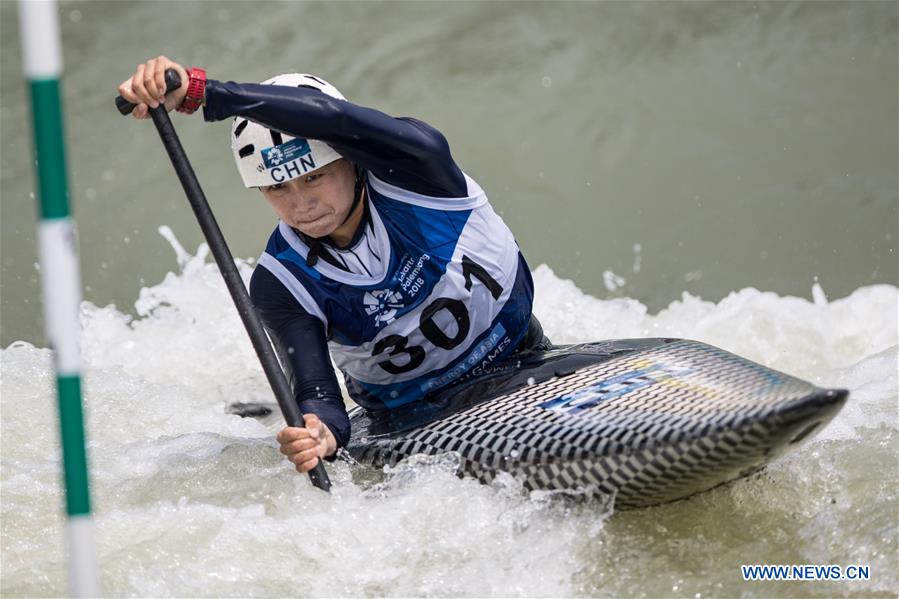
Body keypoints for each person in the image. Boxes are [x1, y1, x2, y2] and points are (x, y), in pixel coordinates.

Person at [118, 56, 549, 476]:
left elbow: (337, 121)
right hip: (410, 421)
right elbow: (319, 395)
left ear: (351, 159)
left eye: (314, 177)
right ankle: (249, 406)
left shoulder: (421, 170)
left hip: (521, 361)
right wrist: (320, 432)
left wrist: (201, 93)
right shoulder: (281, 282)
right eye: (277, 187)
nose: (301, 204)